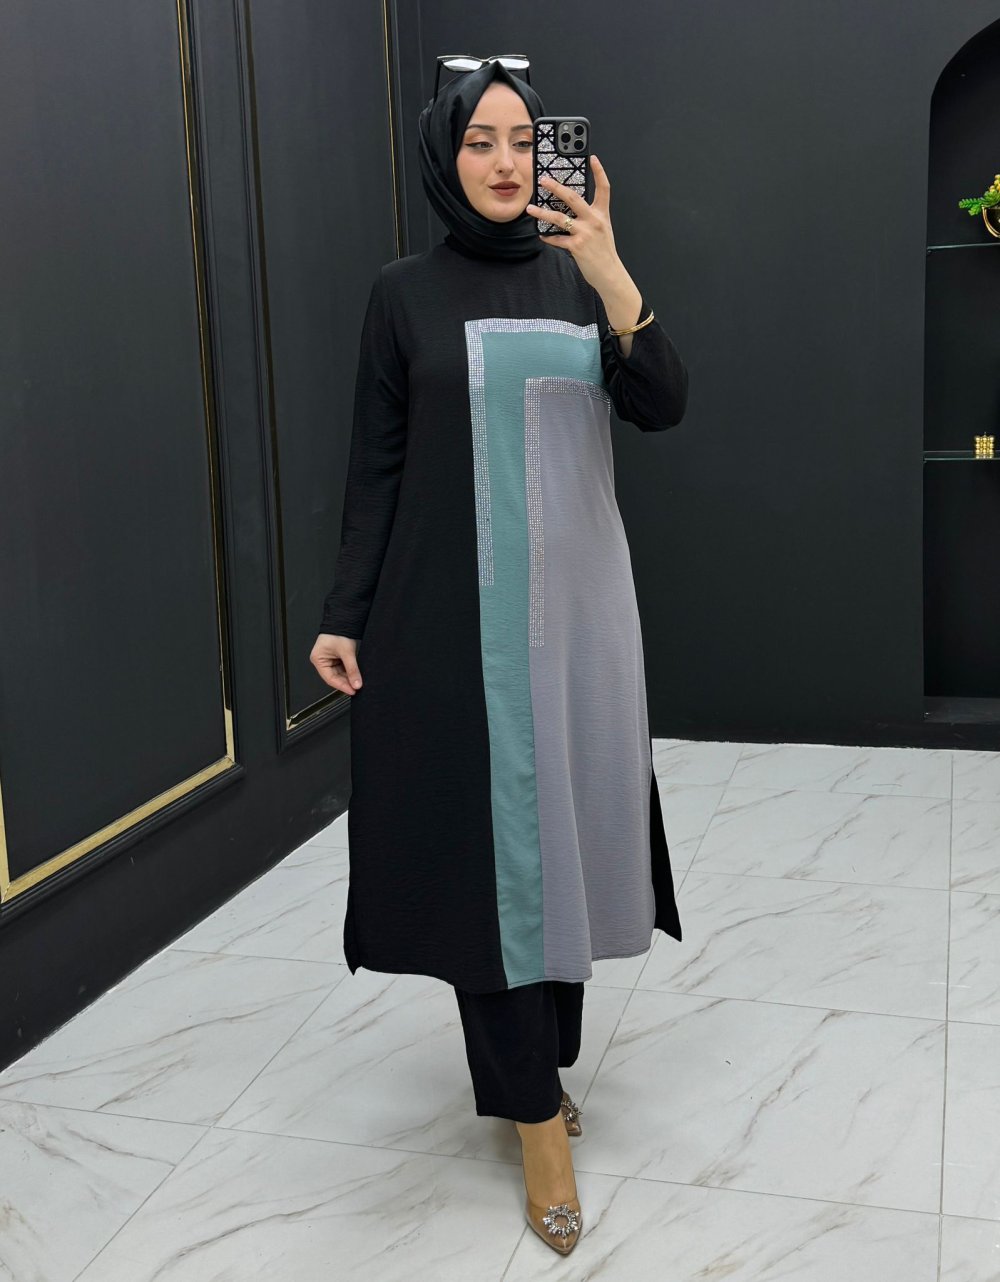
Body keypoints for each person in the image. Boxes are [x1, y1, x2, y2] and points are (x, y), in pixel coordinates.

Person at [310, 54, 689, 1256]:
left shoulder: (579, 278)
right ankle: (533, 1118)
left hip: (580, 629)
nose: (505, 160)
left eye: (522, 139)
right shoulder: (402, 296)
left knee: (565, 851)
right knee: (495, 880)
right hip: (450, 629)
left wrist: (613, 273)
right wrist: (343, 610)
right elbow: (375, 465)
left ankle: (542, 1064)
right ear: (444, 154)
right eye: (479, 139)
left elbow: (663, 402)